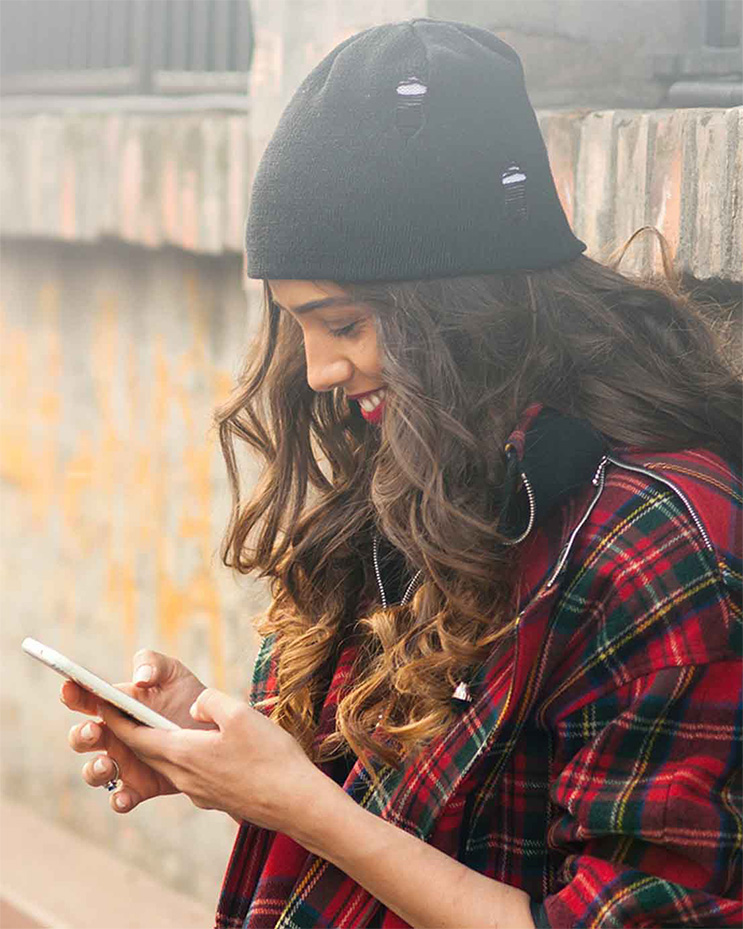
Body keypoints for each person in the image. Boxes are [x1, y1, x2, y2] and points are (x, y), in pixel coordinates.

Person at [60, 18, 742, 929]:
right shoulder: (429, 466)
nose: (316, 372)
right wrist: (227, 757)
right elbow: (404, 815)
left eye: (344, 324)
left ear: (464, 304)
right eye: (296, 324)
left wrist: (300, 804)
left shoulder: (655, 539)